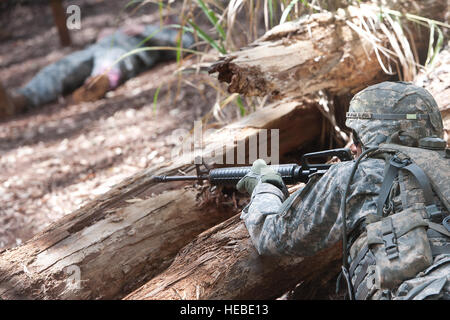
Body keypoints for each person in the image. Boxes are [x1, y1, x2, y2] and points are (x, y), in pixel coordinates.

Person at [236, 81, 449, 300]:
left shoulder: (359, 175)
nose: (353, 147)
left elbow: (272, 236)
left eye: (357, 136)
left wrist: (265, 186)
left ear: (376, 132)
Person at [0, 23, 194, 118]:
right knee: (60, 68)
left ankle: (99, 81)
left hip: (128, 49)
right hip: (95, 48)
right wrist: (102, 34)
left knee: (111, 57)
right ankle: (20, 99)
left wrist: (143, 29)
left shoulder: (158, 28)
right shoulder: (117, 27)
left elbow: (188, 43)